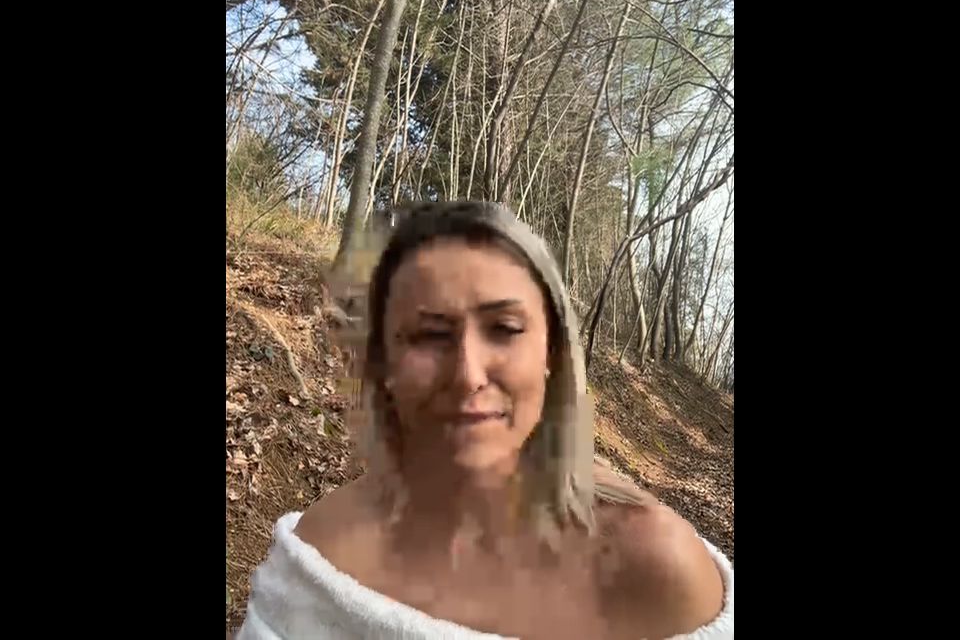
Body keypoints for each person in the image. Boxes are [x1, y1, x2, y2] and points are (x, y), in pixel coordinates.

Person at [236, 201, 733, 639]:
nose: (468, 375)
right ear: (383, 361)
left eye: (504, 328)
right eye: (430, 334)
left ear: (553, 352)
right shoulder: (322, 549)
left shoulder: (655, 569)